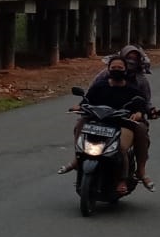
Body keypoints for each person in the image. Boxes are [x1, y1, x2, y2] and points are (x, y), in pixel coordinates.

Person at [57, 55, 154, 194]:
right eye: (113, 68)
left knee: (121, 147)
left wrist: (138, 113)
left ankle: (123, 179)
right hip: (98, 122)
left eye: (120, 68)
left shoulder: (133, 89)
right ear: (108, 69)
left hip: (121, 124)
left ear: (125, 70)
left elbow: (141, 105)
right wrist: (79, 107)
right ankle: (77, 159)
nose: (116, 70)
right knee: (80, 123)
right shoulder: (99, 86)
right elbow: (87, 101)